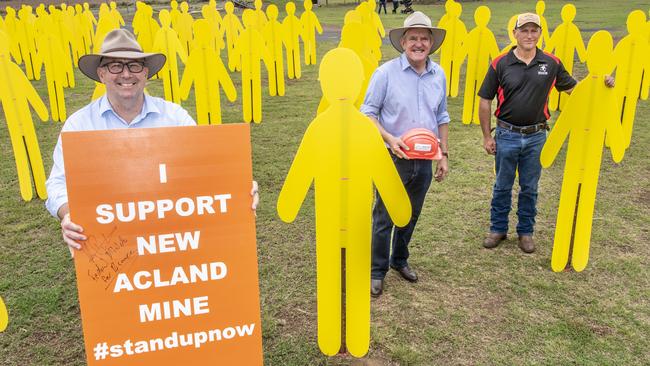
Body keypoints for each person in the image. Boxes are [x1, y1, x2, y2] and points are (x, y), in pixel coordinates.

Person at [45, 29, 259, 254]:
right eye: (115, 65)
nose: (126, 74)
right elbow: (57, 183)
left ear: (145, 73)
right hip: (111, 248)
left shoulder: (174, 116)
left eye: (134, 66)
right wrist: (69, 214)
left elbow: (203, 169)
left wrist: (237, 189)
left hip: (172, 239)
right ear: (101, 74)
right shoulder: (78, 125)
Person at [477, 13, 613, 253]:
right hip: (506, 135)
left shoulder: (551, 63)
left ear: (540, 33)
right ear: (515, 33)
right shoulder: (500, 63)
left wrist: (600, 83)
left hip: (536, 136)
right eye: (524, 30)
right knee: (502, 185)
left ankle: (526, 232)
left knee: (530, 187)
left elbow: (576, 90)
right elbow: (485, 100)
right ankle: (497, 229)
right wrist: (488, 136)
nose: (529, 35)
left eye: (534, 31)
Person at [361, 11, 448, 297]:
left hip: (424, 159)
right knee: (384, 215)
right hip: (391, 156)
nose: (419, 43)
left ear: (431, 43)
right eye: (413, 38)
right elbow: (368, 114)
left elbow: (442, 116)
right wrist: (390, 137)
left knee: (411, 213)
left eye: (424, 38)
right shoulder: (385, 73)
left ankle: (400, 259)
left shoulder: (439, 75)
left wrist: (443, 153)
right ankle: (377, 270)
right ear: (403, 42)